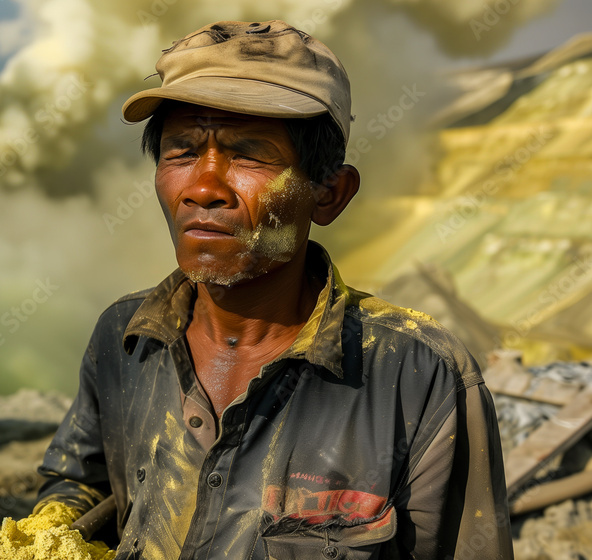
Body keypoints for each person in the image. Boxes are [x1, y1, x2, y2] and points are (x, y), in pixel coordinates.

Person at [34, 20, 512, 559]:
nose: (203, 188)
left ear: (329, 193)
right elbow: (80, 482)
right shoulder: (125, 341)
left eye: (248, 154)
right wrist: (50, 532)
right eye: (182, 151)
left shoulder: (418, 377)